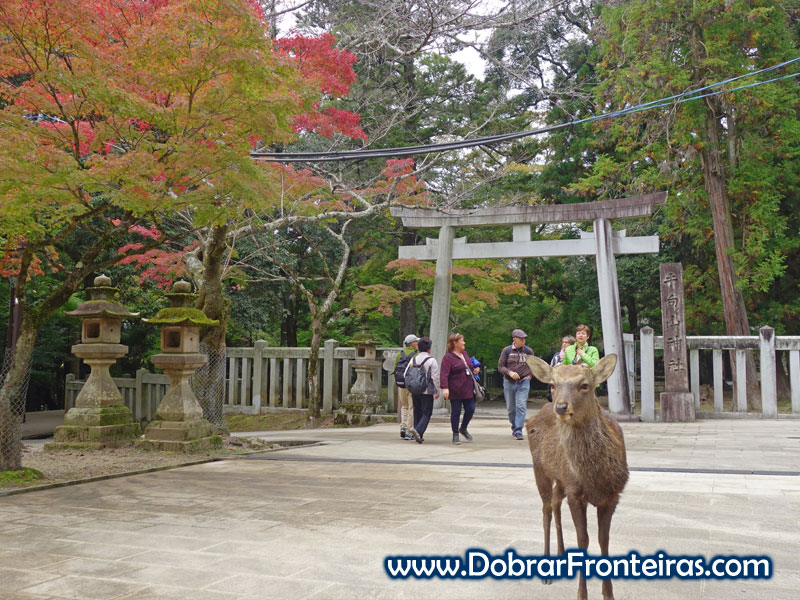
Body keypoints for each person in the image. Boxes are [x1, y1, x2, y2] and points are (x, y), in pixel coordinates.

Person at [440, 333, 480, 445]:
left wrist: (475, 370)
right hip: (455, 389)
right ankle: (455, 434)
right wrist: (445, 388)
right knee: (456, 412)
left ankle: (463, 428)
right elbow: (444, 374)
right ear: (455, 343)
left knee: (470, 409)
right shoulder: (448, 357)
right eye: (462, 341)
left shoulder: (465, 354)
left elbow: (469, 368)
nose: (464, 343)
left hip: (468, 388)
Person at [498, 328, 535, 440]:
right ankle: (514, 426)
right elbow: (500, 366)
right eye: (521, 339)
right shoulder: (507, 350)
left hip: (524, 382)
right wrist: (510, 372)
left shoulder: (528, 351)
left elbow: (534, 366)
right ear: (514, 339)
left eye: (524, 339)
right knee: (511, 408)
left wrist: (529, 377)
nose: (523, 341)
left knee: (521, 406)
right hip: (509, 382)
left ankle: (518, 430)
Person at [406, 337, 440, 444]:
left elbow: (406, 374)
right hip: (427, 390)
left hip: (415, 390)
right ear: (429, 349)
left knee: (417, 411)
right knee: (427, 412)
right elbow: (435, 377)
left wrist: (411, 386)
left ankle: (418, 434)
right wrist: (437, 390)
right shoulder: (431, 360)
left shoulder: (413, 359)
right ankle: (418, 431)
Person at [393, 334, 419, 440]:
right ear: (412, 343)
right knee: (412, 407)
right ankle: (409, 430)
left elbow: (395, 367)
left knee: (404, 406)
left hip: (401, 384)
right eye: (416, 342)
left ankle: (403, 426)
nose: (417, 343)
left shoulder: (400, 354)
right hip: (411, 384)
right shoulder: (416, 355)